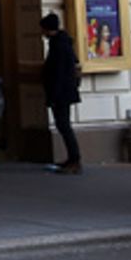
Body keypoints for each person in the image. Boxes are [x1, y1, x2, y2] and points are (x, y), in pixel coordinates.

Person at [41, 13, 82, 174]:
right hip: (65, 91)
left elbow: (57, 73)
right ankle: (72, 159)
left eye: (43, 29)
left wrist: (53, 96)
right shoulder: (63, 43)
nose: (42, 33)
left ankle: (75, 160)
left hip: (61, 93)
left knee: (64, 125)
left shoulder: (58, 46)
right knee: (63, 125)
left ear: (47, 29)